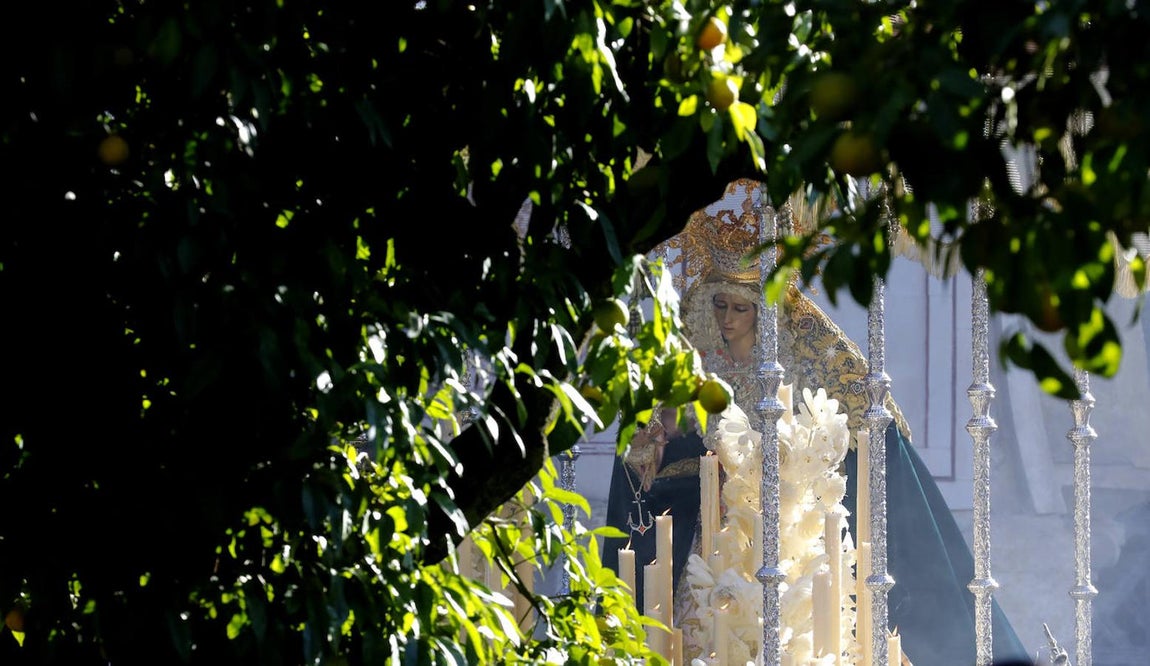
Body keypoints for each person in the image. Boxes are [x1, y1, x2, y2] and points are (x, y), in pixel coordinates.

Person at [602, 179, 1031, 665]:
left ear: (765, 312)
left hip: (791, 530)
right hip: (712, 532)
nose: (728, 320)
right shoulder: (694, 357)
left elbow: (865, 439)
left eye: (741, 309)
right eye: (719, 306)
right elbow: (649, 447)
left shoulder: (812, 352)